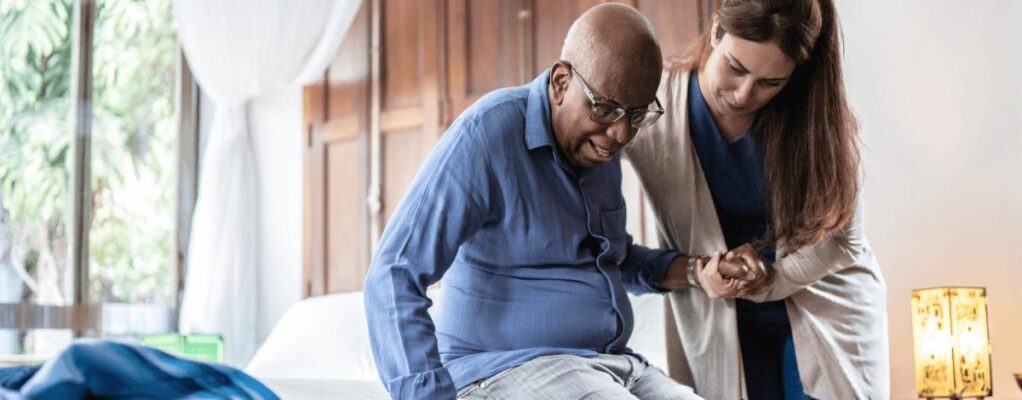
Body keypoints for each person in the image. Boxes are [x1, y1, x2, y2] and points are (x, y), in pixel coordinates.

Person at [364, 4, 747, 400]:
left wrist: (696, 271)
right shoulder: (487, 135)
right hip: (503, 367)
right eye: (606, 109)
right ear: (562, 82)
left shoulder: (597, 150)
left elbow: (612, 260)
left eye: (637, 115)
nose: (621, 135)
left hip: (612, 363)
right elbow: (394, 271)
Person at [623, 0, 889, 399]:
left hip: (825, 310)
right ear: (717, 29)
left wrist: (771, 279)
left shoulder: (816, 116)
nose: (744, 94)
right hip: (722, 320)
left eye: (770, 83)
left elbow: (843, 241)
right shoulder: (652, 105)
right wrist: (697, 270)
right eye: (736, 67)